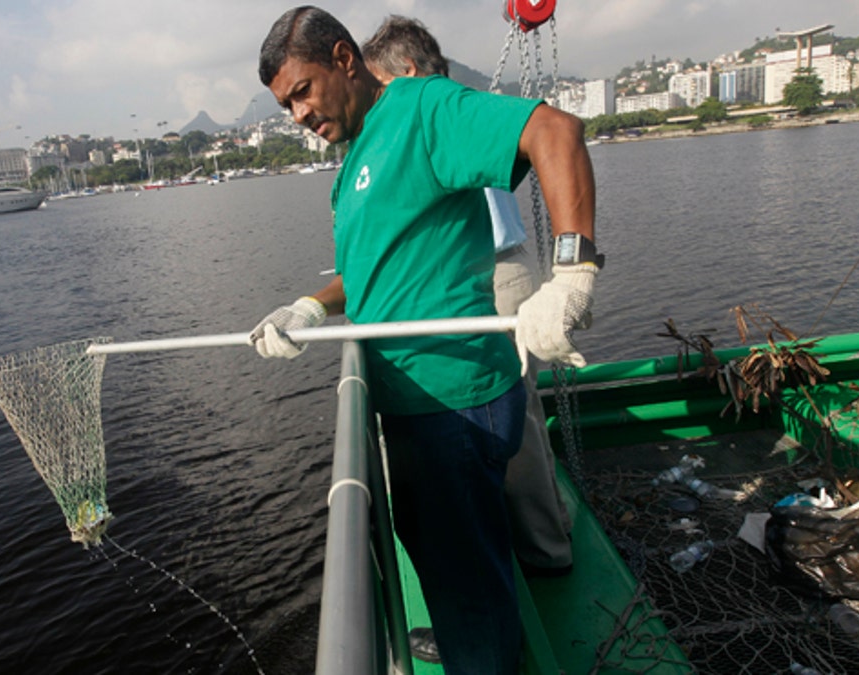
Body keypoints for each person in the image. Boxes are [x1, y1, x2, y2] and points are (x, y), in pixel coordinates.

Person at [251, 7, 599, 674]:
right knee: (464, 568)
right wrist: (307, 307)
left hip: (449, 405)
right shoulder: (359, 152)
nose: (296, 115)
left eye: (302, 92)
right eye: (284, 105)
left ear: (344, 60)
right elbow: (368, 271)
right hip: (422, 404)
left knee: (463, 587)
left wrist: (573, 270)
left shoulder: (420, 109)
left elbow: (553, 131)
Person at [362, 14, 574, 583]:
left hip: (497, 272)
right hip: (468, 275)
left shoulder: (441, 112)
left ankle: (546, 550)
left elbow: (556, 132)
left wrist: (575, 272)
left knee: (515, 417)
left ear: (406, 73)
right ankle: (521, 537)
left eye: (378, 86)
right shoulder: (436, 115)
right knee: (497, 418)